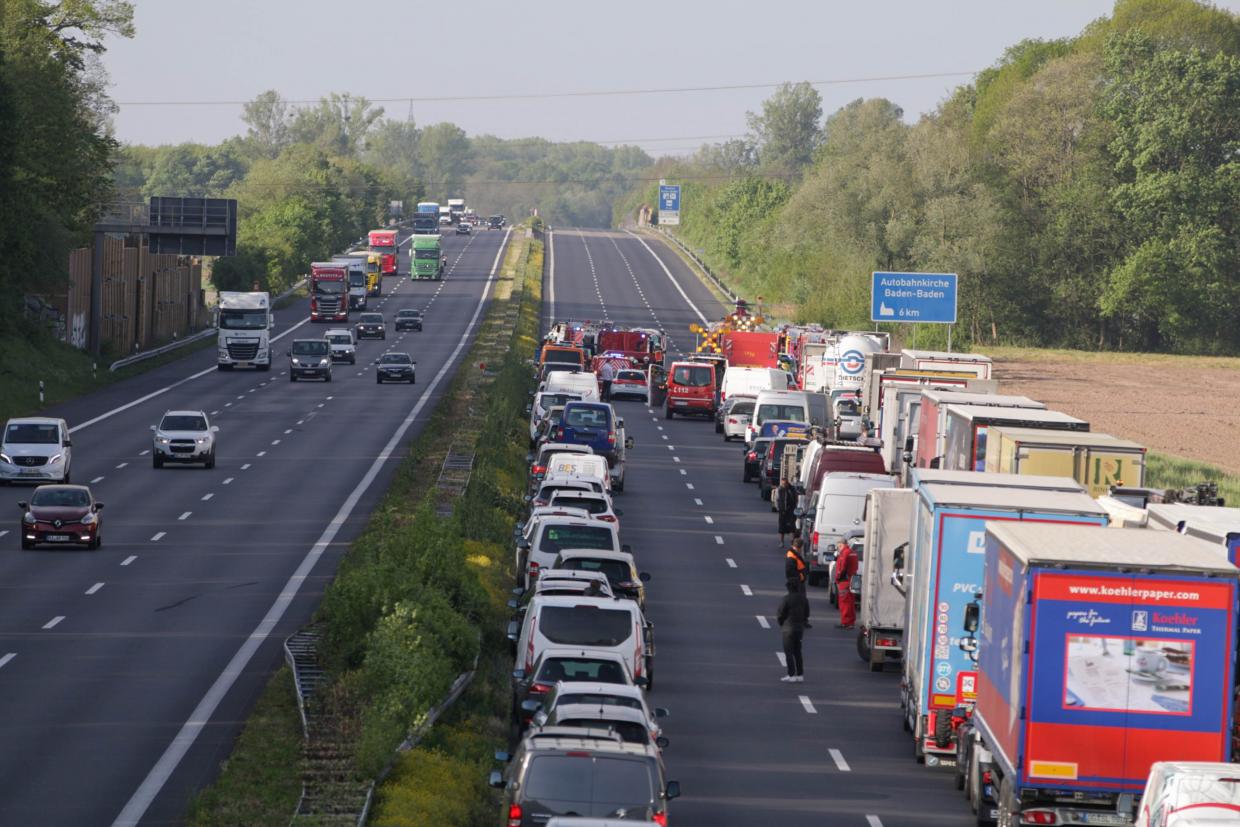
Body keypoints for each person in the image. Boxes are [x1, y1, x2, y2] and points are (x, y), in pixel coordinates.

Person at [776, 578, 810, 682]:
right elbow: (807, 613)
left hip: (788, 628)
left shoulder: (786, 599)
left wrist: (781, 623)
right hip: (799, 629)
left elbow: (780, 613)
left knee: (788, 652)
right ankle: (800, 674)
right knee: (798, 651)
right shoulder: (804, 599)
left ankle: (791, 674)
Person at [835, 536, 859, 629]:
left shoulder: (844, 553)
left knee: (844, 602)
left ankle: (845, 622)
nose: (838, 548)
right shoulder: (853, 553)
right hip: (852, 580)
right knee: (851, 602)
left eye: (838, 546)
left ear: (841, 545)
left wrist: (838, 577)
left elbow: (842, 567)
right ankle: (851, 622)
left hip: (844, 581)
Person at [776, 478, 797, 545]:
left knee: (792, 526)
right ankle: (782, 542)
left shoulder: (792, 489)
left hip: (791, 510)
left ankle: (792, 541)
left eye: (784, 484)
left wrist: (794, 508)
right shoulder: (779, 489)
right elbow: (776, 499)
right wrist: (778, 508)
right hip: (782, 511)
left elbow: (796, 499)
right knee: (782, 527)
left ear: (787, 483)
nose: (783, 485)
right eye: (782, 484)